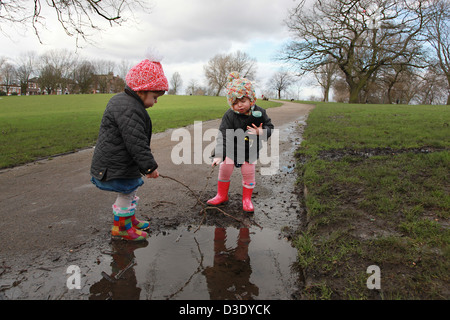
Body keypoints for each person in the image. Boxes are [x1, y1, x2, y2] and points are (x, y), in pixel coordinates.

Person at [90, 53, 168, 241]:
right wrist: (149, 167)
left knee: (130, 190)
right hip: (115, 164)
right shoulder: (129, 108)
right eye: (154, 97)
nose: (155, 102)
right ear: (142, 91)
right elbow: (136, 142)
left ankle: (129, 221)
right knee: (126, 193)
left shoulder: (122, 101)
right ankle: (122, 229)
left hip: (119, 161)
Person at [208, 72, 274, 213]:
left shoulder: (260, 113)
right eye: (235, 103)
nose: (239, 105)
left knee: (248, 171)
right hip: (231, 148)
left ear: (251, 99)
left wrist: (261, 132)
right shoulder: (229, 115)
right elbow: (223, 134)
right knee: (225, 168)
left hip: (249, 149)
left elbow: (270, 128)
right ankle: (222, 195)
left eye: (243, 101)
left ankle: (247, 200)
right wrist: (219, 154)